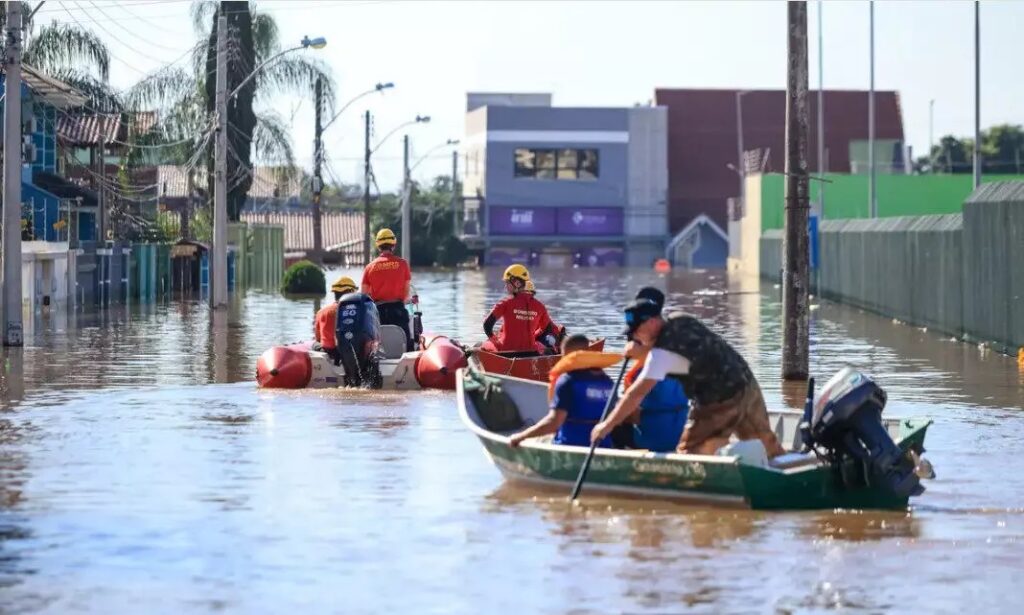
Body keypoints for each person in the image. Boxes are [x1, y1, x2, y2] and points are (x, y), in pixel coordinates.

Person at [591, 297, 787, 458]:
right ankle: (786, 470)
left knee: (689, 452)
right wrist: (645, 348)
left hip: (719, 399)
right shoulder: (681, 318)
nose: (635, 337)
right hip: (745, 383)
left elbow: (635, 395)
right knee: (764, 442)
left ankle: (706, 486)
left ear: (651, 323)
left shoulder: (659, 358)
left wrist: (606, 425)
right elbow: (681, 348)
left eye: (636, 331)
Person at [612, 286, 690, 452]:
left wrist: (610, 419)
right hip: (679, 434)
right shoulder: (680, 357)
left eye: (637, 333)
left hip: (653, 439)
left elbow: (632, 412)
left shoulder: (642, 372)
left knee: (610, 423)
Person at [509, 334, 616, 448]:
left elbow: (554, 423)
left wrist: (521, 436)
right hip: (603, 445)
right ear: (588, 352)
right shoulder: (608, 382)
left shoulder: (568, 381)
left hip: (569, 444)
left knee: (535, 440)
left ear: (566, 355)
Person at [482, 264, 554, 356]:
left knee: (483, 345)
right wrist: (533, 336)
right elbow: (547, 329)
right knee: (541, 346)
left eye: (507, 283)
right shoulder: (540, 306)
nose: (506, 287)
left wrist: (495, 341)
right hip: (531, 353)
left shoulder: (505, 303)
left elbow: (487, 325)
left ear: (517, 283)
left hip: (506, 352)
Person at [362, 228, 414, 351]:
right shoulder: (403, 264)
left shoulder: (370, 267)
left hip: (377, 312)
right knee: (407, 341)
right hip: (398, 311)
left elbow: (363, 295)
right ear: (393, 245)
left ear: (378, 246)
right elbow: (406, 295)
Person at [313, 276, 358, 363]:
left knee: (314, 344)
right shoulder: (356, 312)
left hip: (327, 351)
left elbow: (318, 338)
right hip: (348, 353)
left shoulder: (321, 312)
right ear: (351, 292)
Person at [524, 279, 565, 354]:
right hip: (531, 338)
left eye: (529, 294)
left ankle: (555, 353)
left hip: (545, 335)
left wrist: (532, 336)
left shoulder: (539, 307)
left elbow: (543, 327)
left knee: (550, 341)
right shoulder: (515, 308)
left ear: (532, 294)